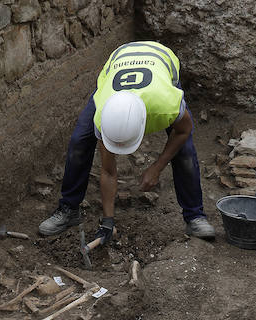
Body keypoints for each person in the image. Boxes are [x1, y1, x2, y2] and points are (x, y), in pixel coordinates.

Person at [38, 40, 216, 244]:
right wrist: (108, 221)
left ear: (145, 123)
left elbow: (184, 131)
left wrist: (157, 168)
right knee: (79, 140)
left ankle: (195, 216)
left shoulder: (166, 105)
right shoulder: (103, 114)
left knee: (184, 150)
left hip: (161, 59)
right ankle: (69, 208)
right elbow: (108, 170)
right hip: (118, 62)